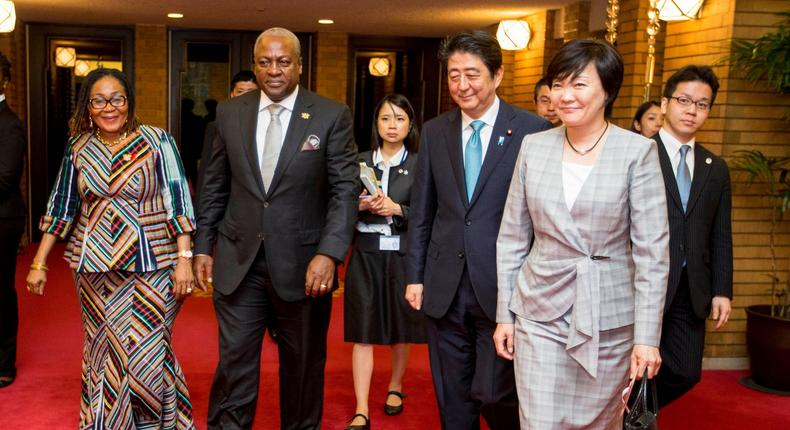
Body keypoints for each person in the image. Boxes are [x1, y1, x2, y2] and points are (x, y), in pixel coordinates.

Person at [494, 39, 669, 429]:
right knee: (537, 422)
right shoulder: (533, 147)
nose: (564, 96)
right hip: (539, 311)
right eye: (558, 85)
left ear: (607, 90)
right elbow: (512, 239)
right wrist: (505, 314)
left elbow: (652, 255)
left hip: (608, 317)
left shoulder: (636, 153)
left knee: (596, 424)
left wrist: (647, 337)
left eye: (578, 84)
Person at [194, 27, 358, 430]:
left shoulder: (330, 114)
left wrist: (329, 252)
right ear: (255, 65)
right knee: (235, 363)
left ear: (300, 65)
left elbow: (345, 191)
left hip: (304, 267)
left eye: (284, 61)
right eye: (265, 62)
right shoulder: (230, 113)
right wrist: (202, 246)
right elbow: (215, 185)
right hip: (239, 262)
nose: (274, 70)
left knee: (302, 366)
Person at [25, 68, 196, 428]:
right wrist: (39, 262)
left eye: (117, 99)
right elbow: (62, 206)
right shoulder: (79, 147)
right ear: (88, 106)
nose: (109, 108)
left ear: (129, 102)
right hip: (94, 268)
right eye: (99, 100)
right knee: (103, 350)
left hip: (153, 263)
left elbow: (178, 199)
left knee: (148, 351)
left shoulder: (156, 140)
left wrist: (185, 259)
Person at [405, 30, 549, 430]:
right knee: (453, 396)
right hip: (444, 282)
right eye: (454, 75)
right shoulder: (435, 131)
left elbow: (541, 217)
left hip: (504, 285)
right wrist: (414, 275)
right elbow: (423, 210)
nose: (462, 85)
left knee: (495, 393)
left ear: (497, 75)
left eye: (472, 74)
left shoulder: (532, 131)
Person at [652, 65, 732, 408]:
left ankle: (630, 415)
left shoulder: (715, 167)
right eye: (684, 100)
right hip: (644, 283)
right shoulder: (638, 154)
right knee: (636, 366)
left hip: (691, 286)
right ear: (665, 102)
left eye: (702, 104)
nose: (692, 110)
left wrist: (721, 289)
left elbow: (721, 234)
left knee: (685, 373)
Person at [344, 94, 425, 430]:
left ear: (410, 124)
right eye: (386, 119)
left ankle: (395, 385)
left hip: (404, 254)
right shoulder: (358, 162)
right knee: (362, 331)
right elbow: (336, 207)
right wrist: (360, 207)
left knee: (400, 329)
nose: (393, 126)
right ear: (375, 124)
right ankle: (361, 407)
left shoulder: (421, 164)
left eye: (400, 119)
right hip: (365, 251)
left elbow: (428, 213)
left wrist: (397, 209)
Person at [0, 52, 26, 389]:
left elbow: (4, 179)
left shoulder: (10, 124)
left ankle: (4, 363)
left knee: (0, 291)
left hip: (2, 220)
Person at [196, 70, 259, 199]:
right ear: (232, 94)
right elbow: (207, 171)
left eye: (251, 92)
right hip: (227, 199)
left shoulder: (269, 125)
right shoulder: (216, 126)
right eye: (240, 92)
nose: (245, 97)